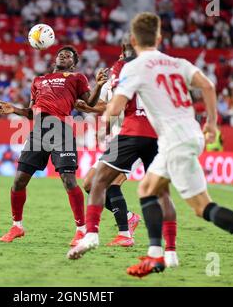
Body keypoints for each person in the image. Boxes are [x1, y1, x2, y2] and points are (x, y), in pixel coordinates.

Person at [67, 12, 233, 278]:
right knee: (176, 198)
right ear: (159, 38)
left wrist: (103, 115)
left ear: (133, 40)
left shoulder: (133, 67)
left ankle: (129, 247)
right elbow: (208, 86)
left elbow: (114, 108)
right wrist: (213, 124)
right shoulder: (177, 62)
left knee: (118, 184)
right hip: (188, 135)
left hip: (172, 139)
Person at [75, 35, 179, 267]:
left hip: (130, 134)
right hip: (129, 135)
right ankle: (138, 226)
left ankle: (123, 233)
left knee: (108, 183)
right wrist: (92, 104)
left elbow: (114, 106)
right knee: (91, 184)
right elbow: (106, 104)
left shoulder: (122, 68)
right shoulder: (155, 68)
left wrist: (94, 109)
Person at [0, 46, 108, 246]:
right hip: (38, 133)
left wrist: (98, 85)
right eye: (60, 54)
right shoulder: (38, 80)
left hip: (61, 130)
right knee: (18, 181)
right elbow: (32, 111)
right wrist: (13, 109)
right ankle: (17, 226)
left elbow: (90, 101)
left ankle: (81, 230)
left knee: (68, 180)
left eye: (68, 56)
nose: (63, 57)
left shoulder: (77, 78)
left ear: (73, 63)